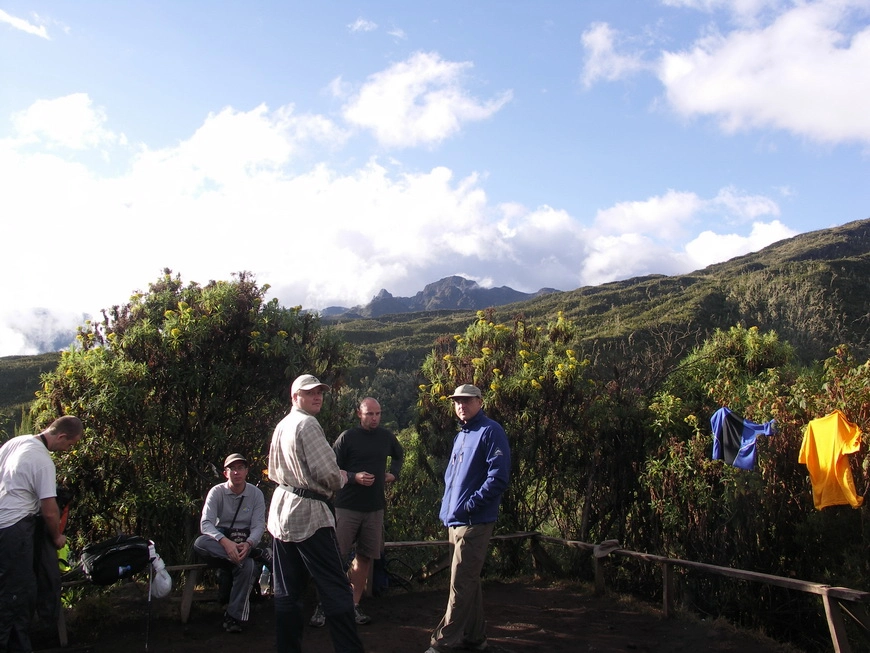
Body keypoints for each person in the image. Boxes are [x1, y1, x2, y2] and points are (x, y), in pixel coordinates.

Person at [267, 374, 364, 653]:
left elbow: (273, 470)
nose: (317, 396)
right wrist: (344, 477)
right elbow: (329, 475)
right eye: (310, 393)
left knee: (287, 590)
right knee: (335, 587)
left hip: (282, 510)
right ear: (295, 396)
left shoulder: (283, 425)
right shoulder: (307, 424)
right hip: (309, 515)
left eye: (320, 392)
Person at [426, 385, 511, 653]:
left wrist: (470, 506)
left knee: (460, 583)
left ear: (480, 401)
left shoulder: (490, 431)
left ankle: (441, 643)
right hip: (455, 520)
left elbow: (498, 477)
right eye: (456, 401)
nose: (461, 405)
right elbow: (453, 479)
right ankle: (475, 638)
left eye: (466, 400)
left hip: (474, 521)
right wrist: (448, 512)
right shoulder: (461, 435)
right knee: (468, 581)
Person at [309, 397, 404, 627]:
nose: (374, 418)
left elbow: (399, 454)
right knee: (335, 557)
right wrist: (354, 477)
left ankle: (352, 605)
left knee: (365, 557)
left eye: (378, 414)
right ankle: (324, 605)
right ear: (359, 414)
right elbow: (331, 467)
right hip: (347, 506)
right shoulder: (347, 438)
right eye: (370, 414)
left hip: (374, 508)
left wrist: (393, 474)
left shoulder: (385, 437)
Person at [0, 415, 83, 652]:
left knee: (6, 587)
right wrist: (57, 537)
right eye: (70, 444)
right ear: (62, 436)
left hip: (2, 522)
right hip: (15, 528)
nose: (68, 449)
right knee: (16, 593)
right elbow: (49, 511)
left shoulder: (15, 442)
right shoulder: (43, 461)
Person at [193, 453, 267, 634]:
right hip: (221, 545)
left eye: (240, 468)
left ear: (247, 471)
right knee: (201, 543)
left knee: (247, 565)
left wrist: (248, 544)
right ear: (225, 473)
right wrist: (226, 543)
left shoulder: (256, 494)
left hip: (244, 545)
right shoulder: (216, 492)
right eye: (232, 469)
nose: (236, 472)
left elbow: (259, 525)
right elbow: (206, 524)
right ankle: (255, 555)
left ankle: (234, 617)